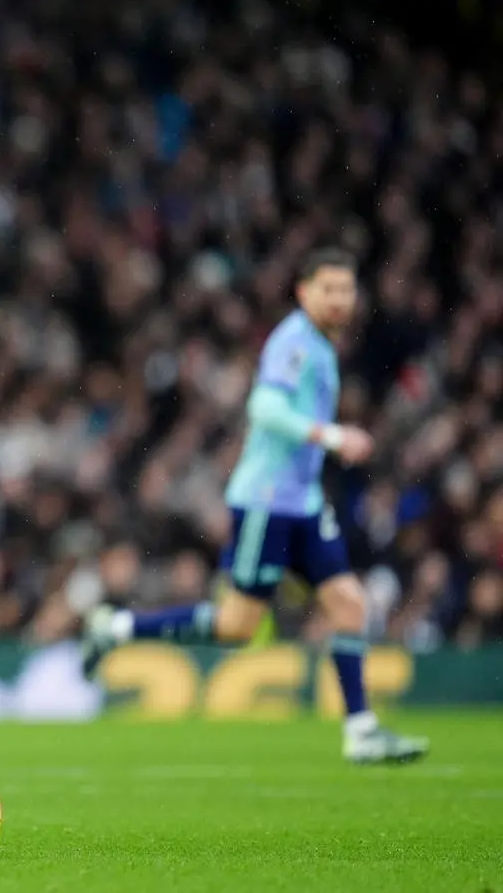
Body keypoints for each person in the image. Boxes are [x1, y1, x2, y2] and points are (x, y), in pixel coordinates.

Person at [81, 248, 430, 765]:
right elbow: (263, 407)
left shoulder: (321, 346)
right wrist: (330, 435)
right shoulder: (294, 342)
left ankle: (361, 731)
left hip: (304, 504)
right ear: (303, 291)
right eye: (327, 288)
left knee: (350, 605)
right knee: (236, 627)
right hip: (266, 504)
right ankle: (116, 628)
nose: (338, 299)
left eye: (346, 289)